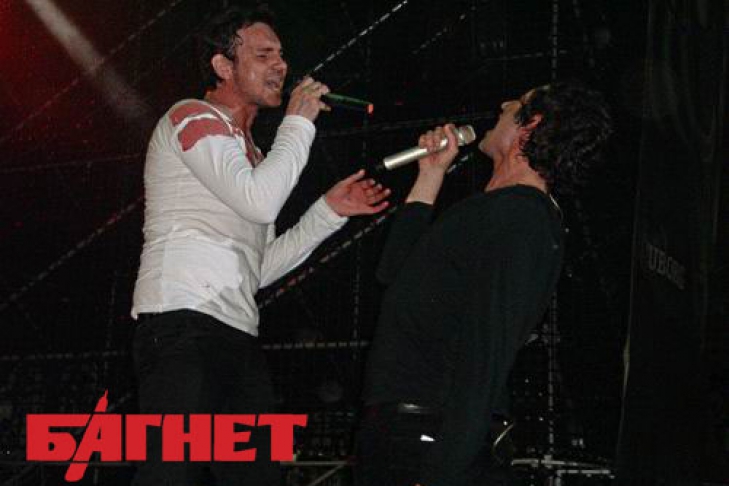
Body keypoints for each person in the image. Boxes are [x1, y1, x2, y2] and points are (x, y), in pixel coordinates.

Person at [130, 4, 389, 486]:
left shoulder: (254, 154)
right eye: (264, 54)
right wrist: (299, 123)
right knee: (170, 474)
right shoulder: (192, 116)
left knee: (257, 476)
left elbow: (260, 268)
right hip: (181, 323)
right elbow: (260, 201)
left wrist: (327, 212)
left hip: (236, 334)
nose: (281, 66)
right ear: (223, 65)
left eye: (281, 55)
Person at [357, 81, 612, 486]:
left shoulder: (524, 217)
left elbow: (488, 349)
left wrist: (446, 468)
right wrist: (431, 174)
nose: (504, 103)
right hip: (400, 424)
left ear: (531, 126)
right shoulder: (487, 210)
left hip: (435, 431)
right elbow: (393, 273)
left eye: (519, 103)